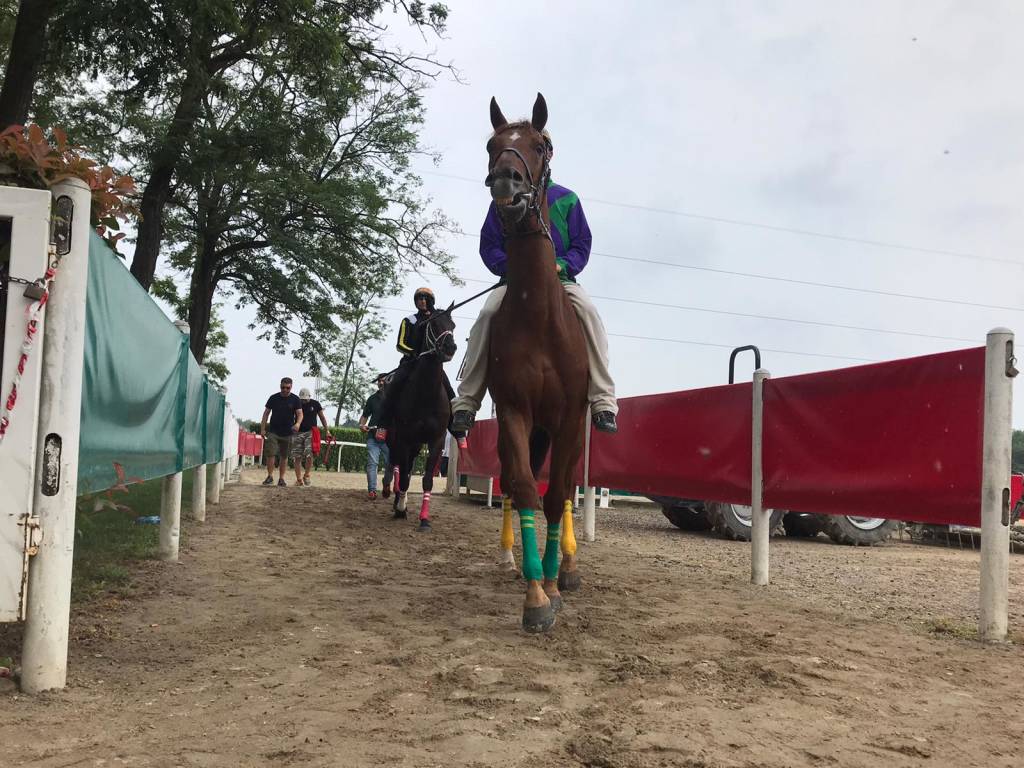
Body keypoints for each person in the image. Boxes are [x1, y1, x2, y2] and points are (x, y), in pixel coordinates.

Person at [451, 129, 618, 435]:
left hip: (561, 281)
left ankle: (603, 399)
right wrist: (509, 267)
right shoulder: (503, 200)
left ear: (548, 154)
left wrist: (563, 264)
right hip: (513, 282)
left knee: (590, 314)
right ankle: (466, 401)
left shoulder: (567, 198)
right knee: (487, 316)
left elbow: (582, 243)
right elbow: (489, 245)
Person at [373, 287, 457, 442]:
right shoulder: (409, 320)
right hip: (410, 362)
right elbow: (400, 344)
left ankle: (457, 430)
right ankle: (383, 424)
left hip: (433, 364)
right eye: (419, 298)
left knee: (450, 391)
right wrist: (413, 353)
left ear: (431, 301)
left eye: (425, 298)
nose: (422, 301)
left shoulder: (437, 319)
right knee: (394, 387)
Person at [260, 377, 302, 486]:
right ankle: (270, 476)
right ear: (280, 386)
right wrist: (263, 429)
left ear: (291, 387)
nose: (285, 390)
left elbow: (300, 414)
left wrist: (297, 424)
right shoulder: (273, 398)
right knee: (271, 454)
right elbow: (266, 414)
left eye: (287, 388)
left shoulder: (295, 399)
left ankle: (281, 479)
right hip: (273, 431)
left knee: (284, 456)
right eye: (283, 387)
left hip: (288, 433)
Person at [359, 373, 391, 500]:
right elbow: (365, 415)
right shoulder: (372, 399)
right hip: (373, 437)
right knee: (372, 463)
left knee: (391, 464)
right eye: (379, 381)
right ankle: (372, 490)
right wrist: (361, 425)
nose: (381, 383)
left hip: (389, 440)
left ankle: (386, 483)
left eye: (383, 381)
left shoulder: (395, 399)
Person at [292, 388, 330, 487]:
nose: (303, 401)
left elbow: (322, 417)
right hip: (298, 433)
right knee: (297, 456)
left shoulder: (315, 404)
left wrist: (327, 430)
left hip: (310, 432)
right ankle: (299, 479)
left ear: (309, 397)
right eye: (302, 399)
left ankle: (307, 475)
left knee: (310, 454)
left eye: (305, 399)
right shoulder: (297, 404)